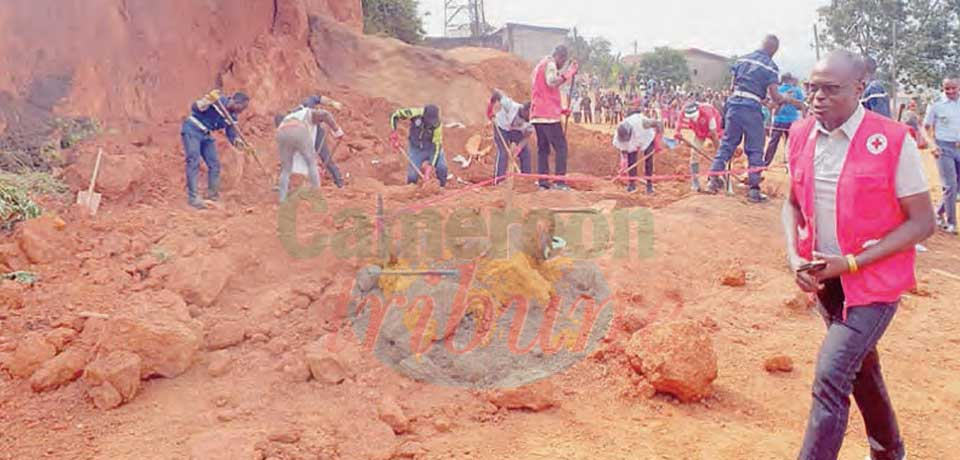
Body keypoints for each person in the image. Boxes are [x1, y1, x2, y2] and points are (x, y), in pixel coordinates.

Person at [783, 50, 934, 460]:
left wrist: (851, 263)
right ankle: (889, 451)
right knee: (862, 369)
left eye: (830, 89)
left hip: (875, 282)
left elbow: (922, 222)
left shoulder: (892, 139)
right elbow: (792, 204)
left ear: (858, 89)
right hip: (825, 279)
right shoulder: (800, 135)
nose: (817, 97)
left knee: (832, 374)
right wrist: (794, 258)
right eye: (812, 88)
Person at [706, 35, 796, 202]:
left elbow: (733, 86)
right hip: (751, 109)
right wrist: (785, 99)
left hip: (733, 105)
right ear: (774, 50)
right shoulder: (770, 66)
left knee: (727, 144)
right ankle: (754, 190)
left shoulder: (742, 60)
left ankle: (713, 181)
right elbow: (775, 96)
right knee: (755, 148)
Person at [180, 89, 250, 209]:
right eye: (241, 107)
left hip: (206, 134)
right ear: (235, 101)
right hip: (192, 129)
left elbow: (231, 135)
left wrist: (242, 146)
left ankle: (212, 195)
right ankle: (193, 198)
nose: (241, 111)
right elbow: (195, 108)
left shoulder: (232, 117)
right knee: (193, 161)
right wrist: (207, 101)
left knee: (215, 164)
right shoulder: (218, 100)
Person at [275, 99, 345, 202]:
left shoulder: (289, 117)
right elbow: (325, 114)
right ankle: (316, 195)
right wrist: (337, 130)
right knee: (311, 163)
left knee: (286, 168)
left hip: (281, 133)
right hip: (298, 130)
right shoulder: (307, 112)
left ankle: (282, 199)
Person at [530, 44, 578, 191]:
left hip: (538, 114)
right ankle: (559, 182)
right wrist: (568, 74)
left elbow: (542, 91)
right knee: (561, 148)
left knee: (543, 150)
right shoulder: (550, 65)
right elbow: (551, 82)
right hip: (548, 116)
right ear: (560, 57)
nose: (561, 65)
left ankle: (543, 182)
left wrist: (562, 110)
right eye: (563, 62)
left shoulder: (540, 65)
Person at [923, 77, 960, 235]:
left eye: (954, 88)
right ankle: (951, 223)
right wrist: (933, 145)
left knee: (956, 186)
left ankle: (937, 213)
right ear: (943, 88)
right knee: (950, 185)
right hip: (943, 148)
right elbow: (925, 128)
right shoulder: (936, 104)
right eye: (947, 89)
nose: (951, 92)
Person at [389, 105, 448, 187]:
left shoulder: (437, 125)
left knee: (442, 168)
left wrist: (429, 168)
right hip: (416, 149)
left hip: (432, 149)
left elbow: (437, 147)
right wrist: (394, 133)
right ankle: (412, 193)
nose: (431, 124)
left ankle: (442, 188)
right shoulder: (415, 113)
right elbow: (394, 115)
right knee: (412, 176)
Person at [488, 89, 534, 184]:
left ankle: (526, 180)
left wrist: (519, 148)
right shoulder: (510, 106)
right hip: (501, 127)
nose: (529, 117)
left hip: (515, 132)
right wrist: (490, 109)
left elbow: (527, 136)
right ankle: (499, 180)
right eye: (528, 114)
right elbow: (496, 93)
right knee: (503, 152)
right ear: (524, 110)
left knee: (526, 152)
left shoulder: (532, 120)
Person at [674, 101, 723, 192]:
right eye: (690, 118)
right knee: (694, 153)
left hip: (715, 130)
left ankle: (722, 176)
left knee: (721, 154)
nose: (692, 119)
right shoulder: (684, 111)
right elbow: (679, 124)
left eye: (693, 117)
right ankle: (695, 182)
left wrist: (718, 151)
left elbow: (714, 134)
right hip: (699, 131)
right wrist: (677, 132)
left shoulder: (708, 112)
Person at [613, 113, 664, 193]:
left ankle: (649, 185)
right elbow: (623, 151)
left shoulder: (642, 123)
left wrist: (658, 140)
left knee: (648, 161)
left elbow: (659, 123)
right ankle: (632, 184)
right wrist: (624, 164)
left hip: (647, 138)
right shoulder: (618, 134)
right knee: (631, 160)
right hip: (634, 142)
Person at [764, 73, 806, 166]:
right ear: (790, 80)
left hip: (779, 119)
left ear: (782, 80)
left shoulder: (777, 90)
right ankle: (793, 164)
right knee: (792, 143)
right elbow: (801, 105)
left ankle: (766, 163)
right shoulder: (797, 90)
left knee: (773, 142)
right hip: (792, 120)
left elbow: (771, 106)